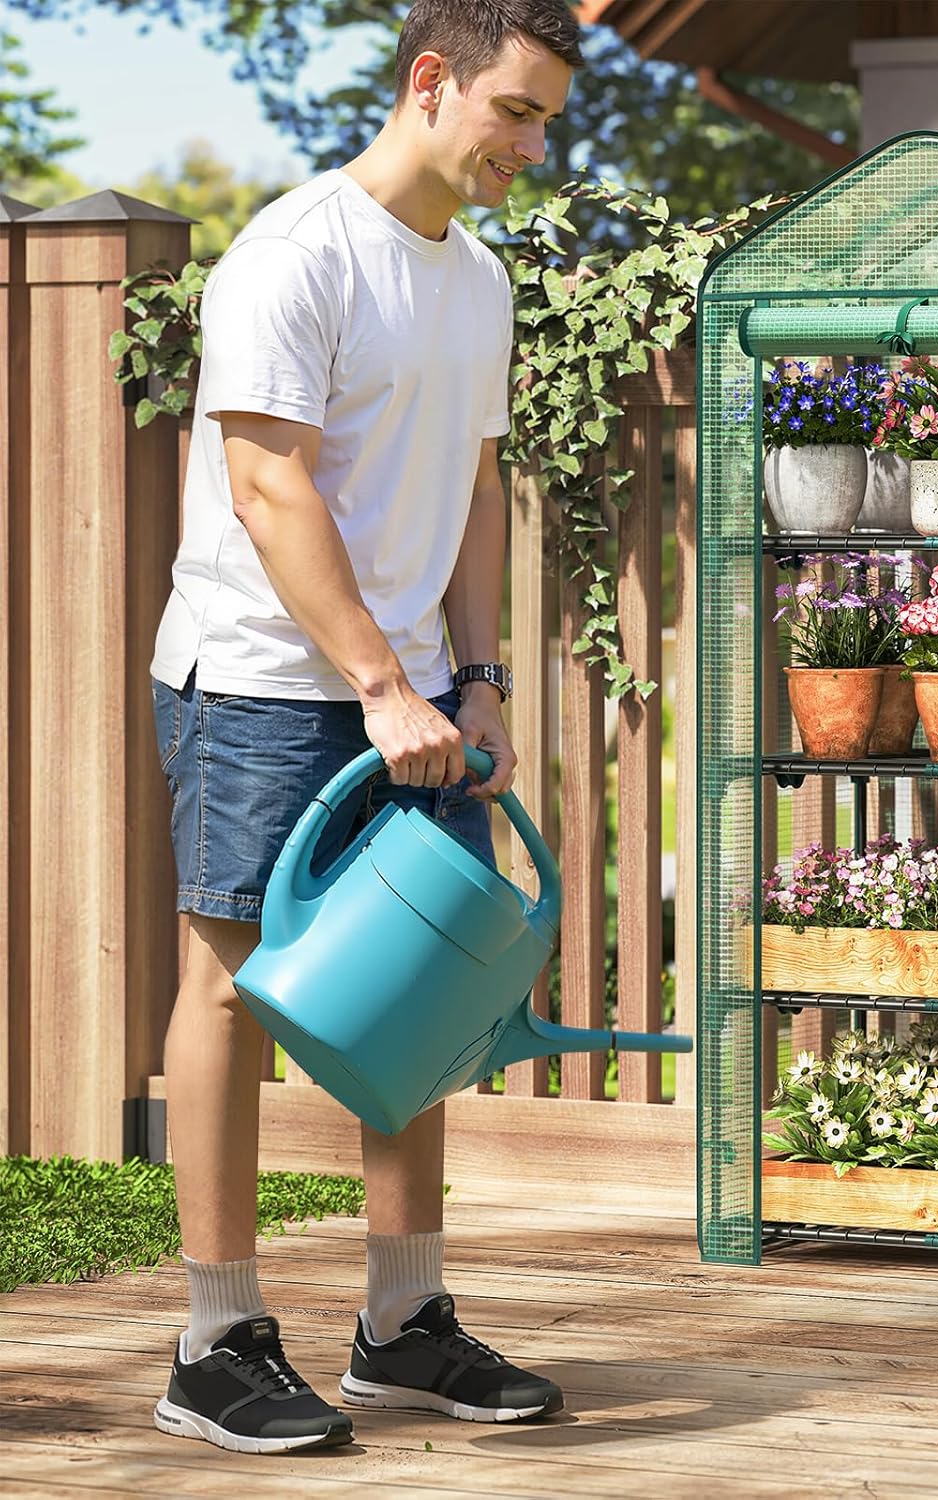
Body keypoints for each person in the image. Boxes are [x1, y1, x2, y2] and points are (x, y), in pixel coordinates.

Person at [146, 0, 580, 1455]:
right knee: (232, 988)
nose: (532, 146)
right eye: (516, 113)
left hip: (411, 698)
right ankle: (214, 1340)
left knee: (427, 995)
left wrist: (477, 675)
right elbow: (272, 488)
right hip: (266, 677)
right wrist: (378, 683)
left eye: (546, 124)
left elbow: (464, 489)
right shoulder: (294, 254)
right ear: (431, 79)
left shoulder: (481, 281)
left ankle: (404, 1325)